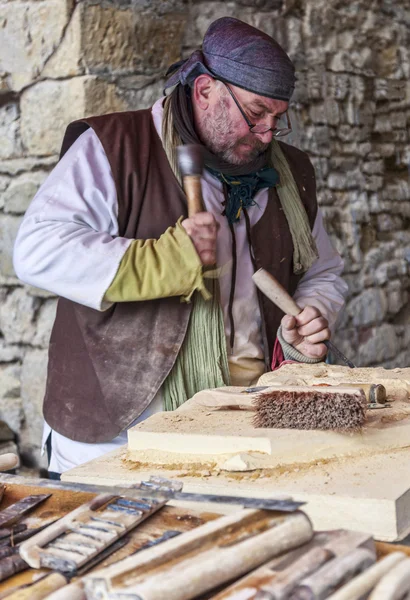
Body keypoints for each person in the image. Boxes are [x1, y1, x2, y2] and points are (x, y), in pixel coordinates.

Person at [13, 17, 347, 477]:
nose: (269, 133)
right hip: (119, 434)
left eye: (278, 117)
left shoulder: (291, 172)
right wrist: (161, 261)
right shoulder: (116, 147)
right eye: (255, 113)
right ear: (206, 89)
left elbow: (322, 273)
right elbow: (37, 248)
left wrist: (308, 321)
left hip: (247, 421)